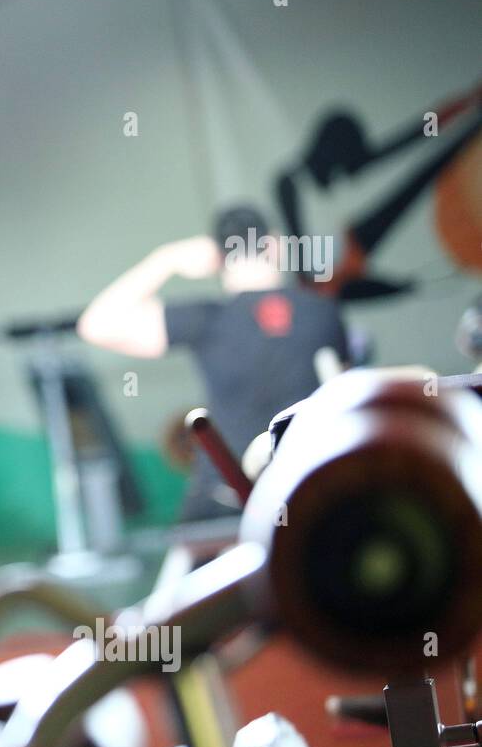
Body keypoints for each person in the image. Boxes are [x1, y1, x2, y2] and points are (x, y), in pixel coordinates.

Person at [76, 205, 349, 522]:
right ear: (275, 245)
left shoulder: (207, 319)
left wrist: (167, 260)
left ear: (216, 257)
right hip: (310, 498)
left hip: (225, 504)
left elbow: (95, 325)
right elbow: (343, 390)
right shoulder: (323, 312)